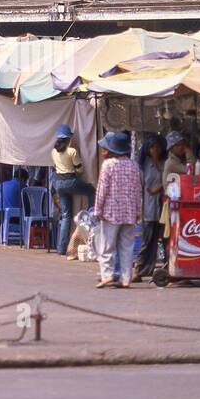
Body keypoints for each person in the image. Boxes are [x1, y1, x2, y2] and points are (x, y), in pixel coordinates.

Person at [92, 131, 142, 289]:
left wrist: (97, 210)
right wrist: (138, 212)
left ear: (111, 150)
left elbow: (101, 190)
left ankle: (107, 275)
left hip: (111, 213)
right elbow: (138, 190)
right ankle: (126, 278)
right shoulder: (133, 165)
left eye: (104, 148)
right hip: (129, 213)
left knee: (106, 246)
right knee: (126, 248)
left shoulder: (108, 165)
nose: (102, 151)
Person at [50, 123, 94, 256]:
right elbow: (80, 169)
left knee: (66, 216)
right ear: (68, 139)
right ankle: (91, 215)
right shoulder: (72, 151)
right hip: (70, 181)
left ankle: (61, 248)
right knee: (92, 191)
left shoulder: (53, 152)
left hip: (59, 184)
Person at [134, 137, 166, 280]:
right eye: (152, 147)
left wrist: (159, 188)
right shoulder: (144, 165)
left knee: (160, 239)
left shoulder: (163, 163)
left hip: (162, 206)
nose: (155, 150)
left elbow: (167, 180)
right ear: (147, 149)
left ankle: (152, 268)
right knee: (147, 239)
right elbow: (141, 187)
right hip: (148, 206)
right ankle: (138, 269)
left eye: (157, 147)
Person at [0, 168, 27, 241]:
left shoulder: (2, 184)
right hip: (14, 217)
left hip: (0, 215)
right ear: (23, 179)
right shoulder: (23, 187)